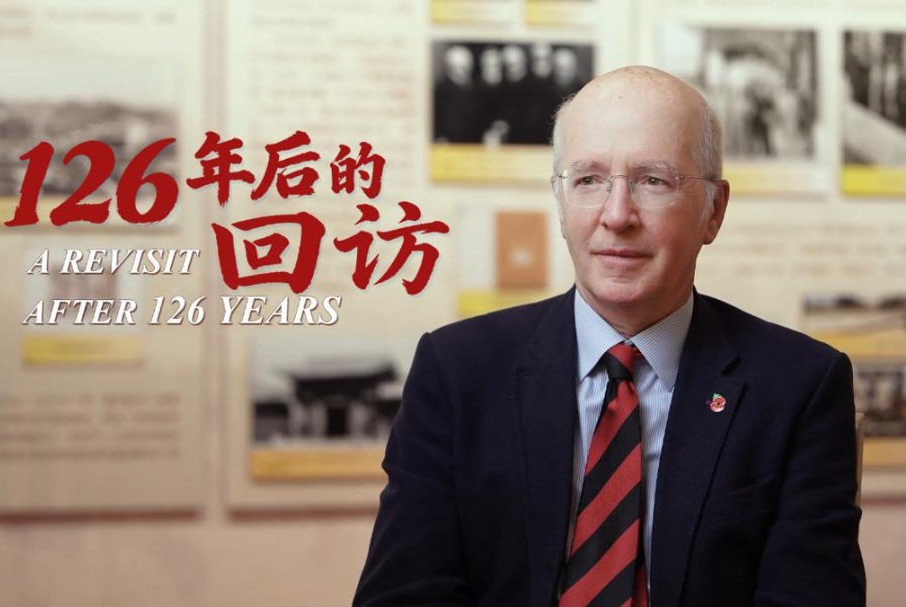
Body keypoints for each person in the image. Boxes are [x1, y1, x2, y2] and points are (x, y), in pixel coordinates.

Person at [355, 66, 866, 607]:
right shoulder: (456, 372)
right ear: (560, 202)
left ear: (713, 210)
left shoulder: (799, 387)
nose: (617, 215)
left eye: (653, 181)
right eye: (588, 180)